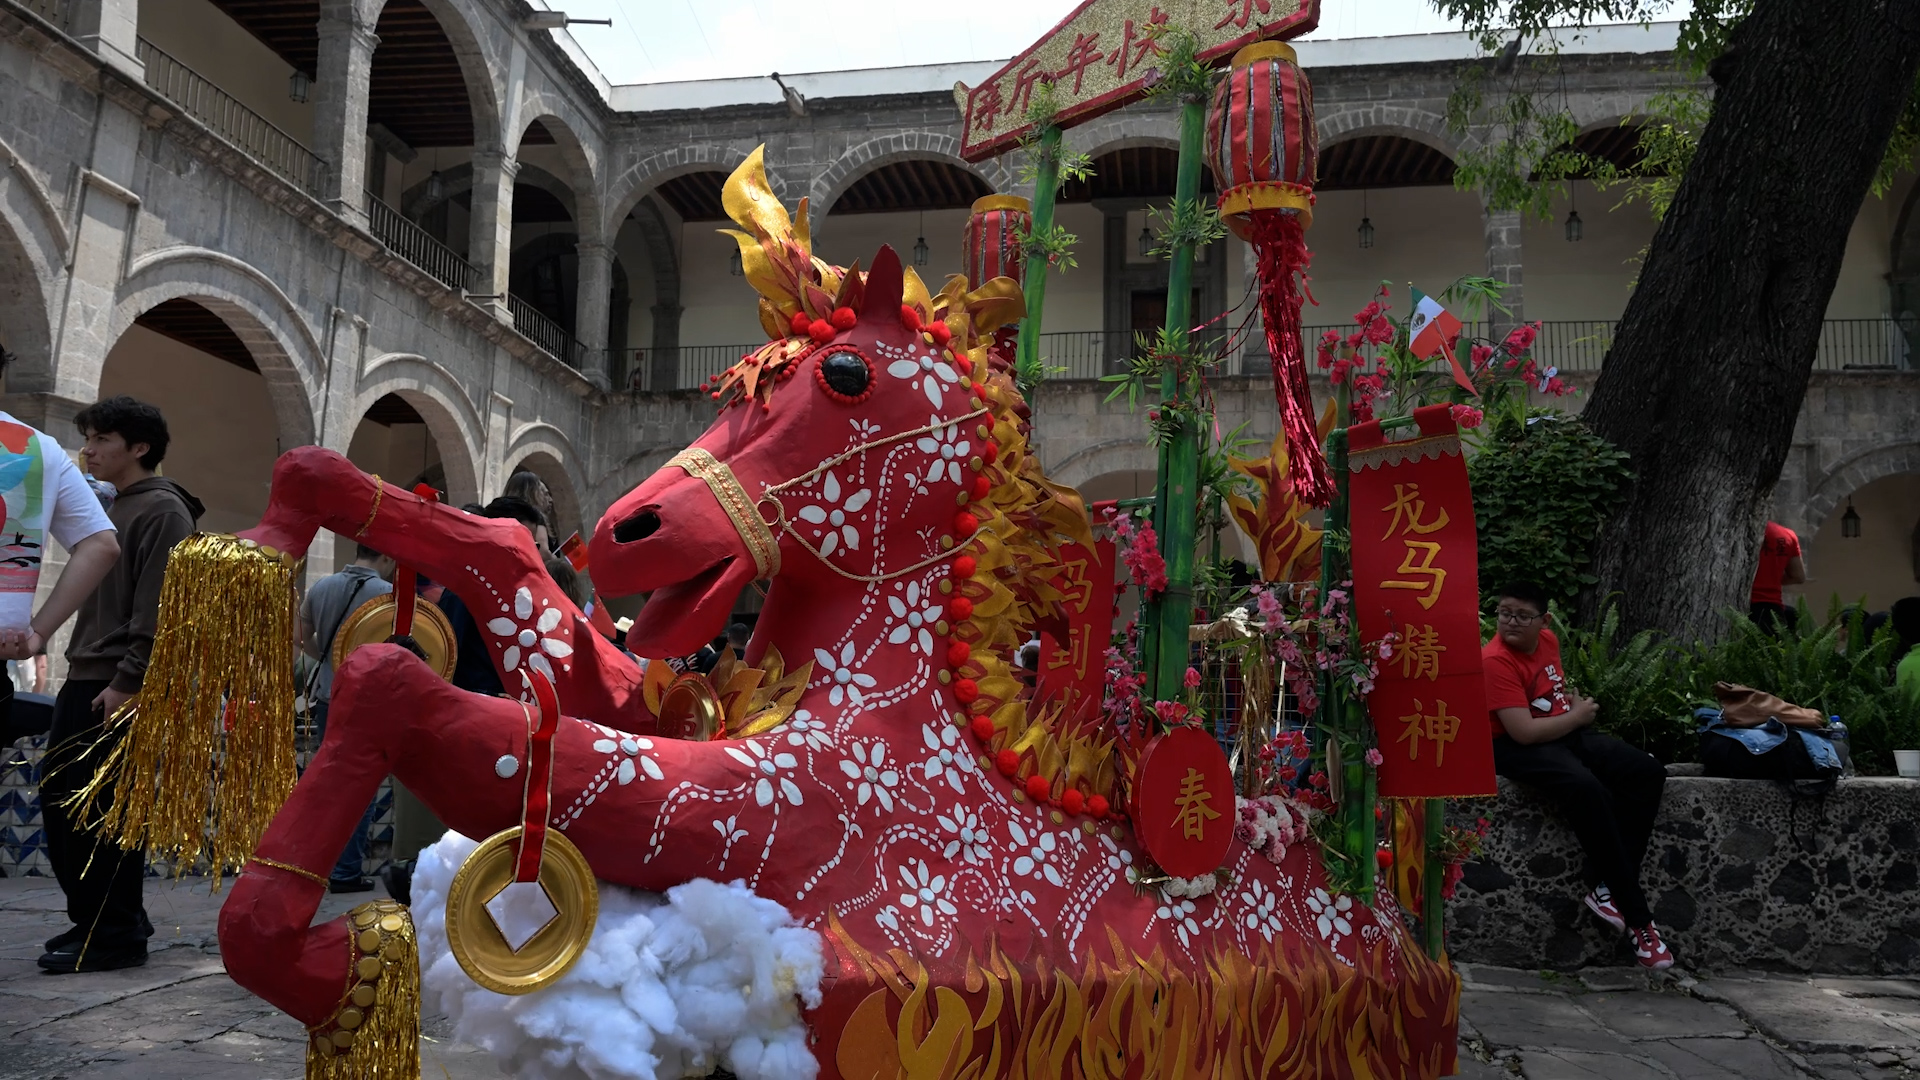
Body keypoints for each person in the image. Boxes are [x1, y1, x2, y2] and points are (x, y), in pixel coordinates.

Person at [39, 396, 200, 973]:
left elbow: (162, 606)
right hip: (87, 675)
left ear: (139, 448)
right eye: (88, 438)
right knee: (67, 809)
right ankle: (102, 921)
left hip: (116, 684)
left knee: (98, 814)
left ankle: (114, 934)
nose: (88, 450)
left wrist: (130, 680)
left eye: (102, 439)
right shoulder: (111, 505)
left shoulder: (164, 510)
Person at [1481, 581, 1674, 970]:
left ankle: (1608, 891)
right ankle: (1639, 921)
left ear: (1544, 621)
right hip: (1513, 747)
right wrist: (1579, 715)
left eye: (1522, 616)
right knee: (1587, 788)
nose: (1511, 622)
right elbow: (1523, 732)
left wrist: (1570, 706)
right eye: (1504, 613)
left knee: (1646, 771)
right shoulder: (1494, 661)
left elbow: (1551, 692)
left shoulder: (1548, 641)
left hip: (1560, 730)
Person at [295, 542, 397, 893]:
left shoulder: (322, 587)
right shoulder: (388, 595)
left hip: (328, 695)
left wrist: (327, 658)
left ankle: (319, 865)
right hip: (368, 701)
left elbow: (298, 635)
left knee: (330, 782)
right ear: (385, 556)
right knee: (361, 786)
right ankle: (346, 870)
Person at [438, 496, 548, 696]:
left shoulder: (519, 590)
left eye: (534, 545)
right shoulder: (463, 589)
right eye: (523, 542)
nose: (530, 552)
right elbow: (444, 658)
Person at [1749, 521, 1805, 635]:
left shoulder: (1741, 529)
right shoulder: (1787, 535)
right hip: (1773, 610)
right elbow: (1798, 576)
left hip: (1743, 606)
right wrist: (1772, 579)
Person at [503, 470, 557, 551]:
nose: (550, 500)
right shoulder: (533, 516)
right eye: (543, 493)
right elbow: (543, 551)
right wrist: (554, 558)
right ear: (532, 493)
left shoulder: (499, 511)